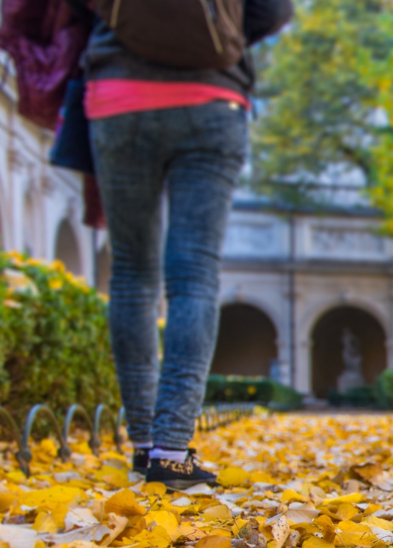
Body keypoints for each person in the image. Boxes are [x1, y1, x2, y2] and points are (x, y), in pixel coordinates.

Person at [85, 0, 294, 489]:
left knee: (133, 272)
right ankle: (171, 450)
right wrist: (220, 36)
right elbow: (275, 10)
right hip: (212, 95)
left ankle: (142, 444)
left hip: (119, 92)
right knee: (194, 274)